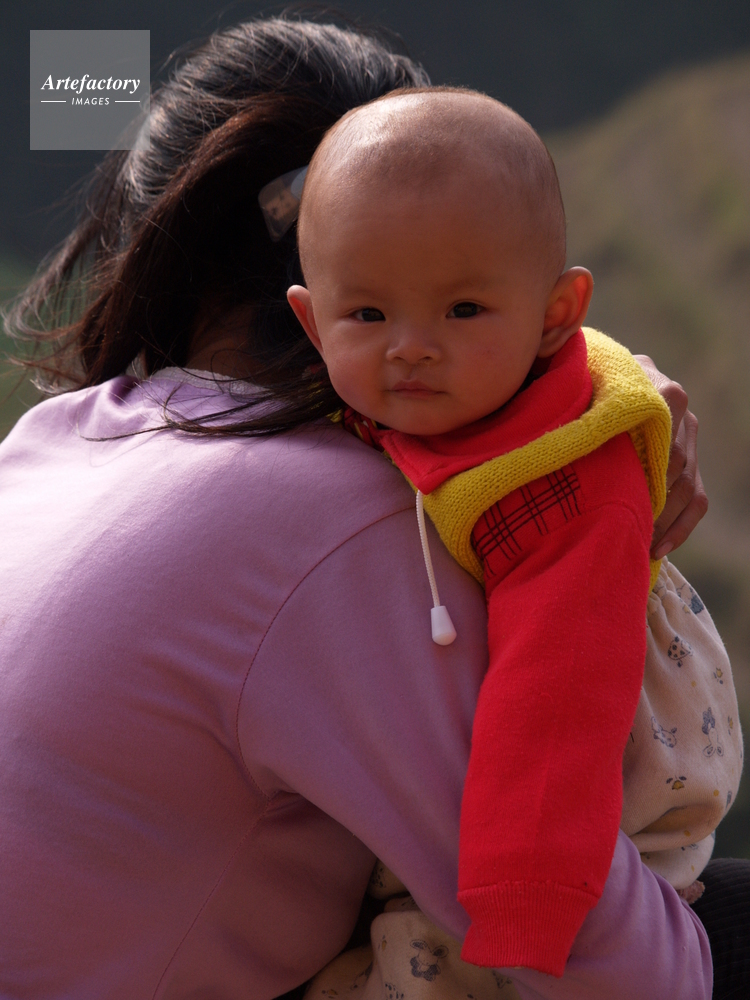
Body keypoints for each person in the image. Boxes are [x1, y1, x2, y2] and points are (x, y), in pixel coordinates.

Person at [0, 14, 731, 1000]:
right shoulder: (344, 523)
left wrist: (608, 389)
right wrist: (602, 406)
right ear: (308, 306)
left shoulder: (52, 440)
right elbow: (628, 975)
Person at [285, 86, 742, 992]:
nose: (411, 348)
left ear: (557, 314)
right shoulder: (411, 407)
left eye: (462, 311)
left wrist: (524, 901)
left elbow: (559, 695)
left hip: (601, 809)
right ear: (310, 321)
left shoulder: (565, 484)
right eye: (367, 316)